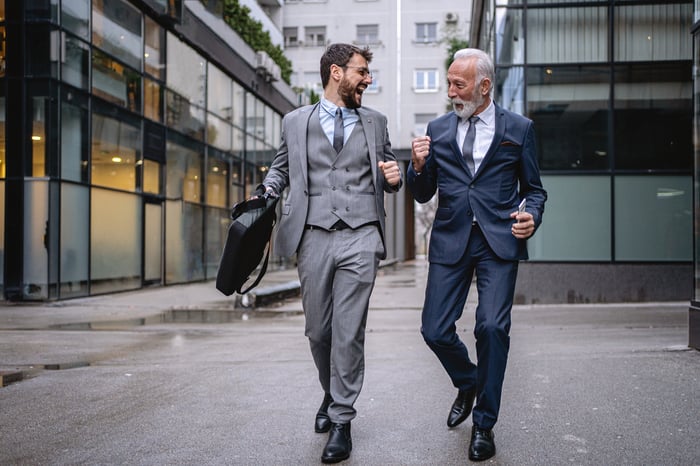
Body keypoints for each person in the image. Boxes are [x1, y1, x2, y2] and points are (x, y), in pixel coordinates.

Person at [260, 43, 402, 463]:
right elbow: (281, 167)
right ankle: (330, 391)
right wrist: (267, 189)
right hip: (313, 234)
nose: (368, 80)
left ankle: (341, 419)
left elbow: (388, 169)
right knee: (318, 331)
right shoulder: (294, 121)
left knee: (348, 331)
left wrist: (393, 178)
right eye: (362, 72)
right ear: (336, 73)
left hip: (361, 235)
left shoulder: (376, 122)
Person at [407, 48, 547, 461]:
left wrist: (531, 216)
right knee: (434, 330)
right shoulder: (438, 128)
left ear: (484, 86)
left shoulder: (519, 129)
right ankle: (467, 381)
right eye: (449, 82)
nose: (451, 90)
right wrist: (417, 166)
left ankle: (484, 425)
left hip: (498, 242)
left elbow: (535, 190)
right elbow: (423, 192)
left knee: (491, 328)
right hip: (450, 241)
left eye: (458, 84)